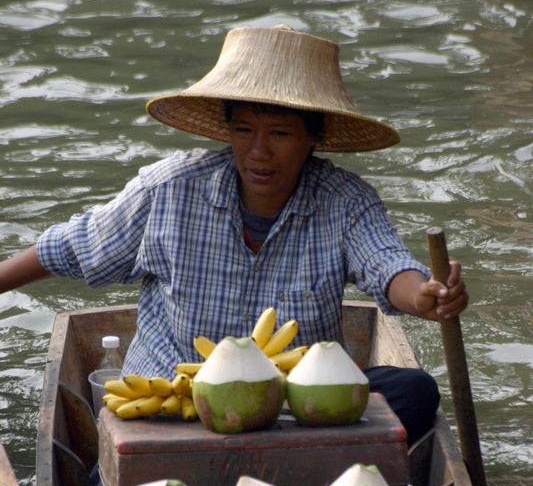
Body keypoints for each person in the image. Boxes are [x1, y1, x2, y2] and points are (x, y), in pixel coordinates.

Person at [0, 24, 468, 445]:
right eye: (243, 130)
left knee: (415, 392)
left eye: (280, 134)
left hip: (293, 411)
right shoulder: (170, 190)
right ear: (227, 131)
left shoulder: (344, 201)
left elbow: (387, 264)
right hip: (176, 407)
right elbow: (70, 247)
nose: (259, 153)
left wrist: (425, 295)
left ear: (313, 139)